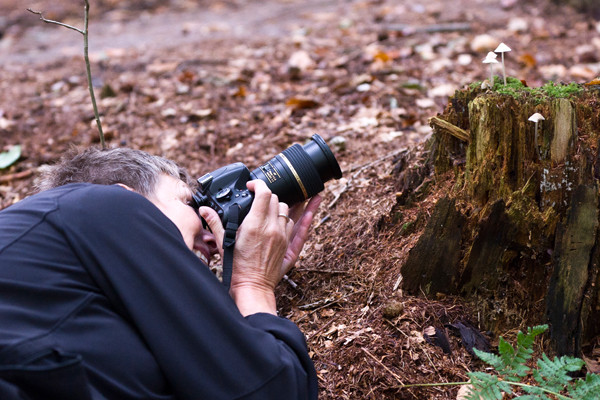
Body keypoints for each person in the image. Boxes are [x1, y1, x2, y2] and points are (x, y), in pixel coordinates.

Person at [0, 147, 321, 400]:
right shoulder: (102, 205)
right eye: (190, 203)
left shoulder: (74, 311)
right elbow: (267, 391)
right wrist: (253, 284)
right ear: (126, 196)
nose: (213, 234)